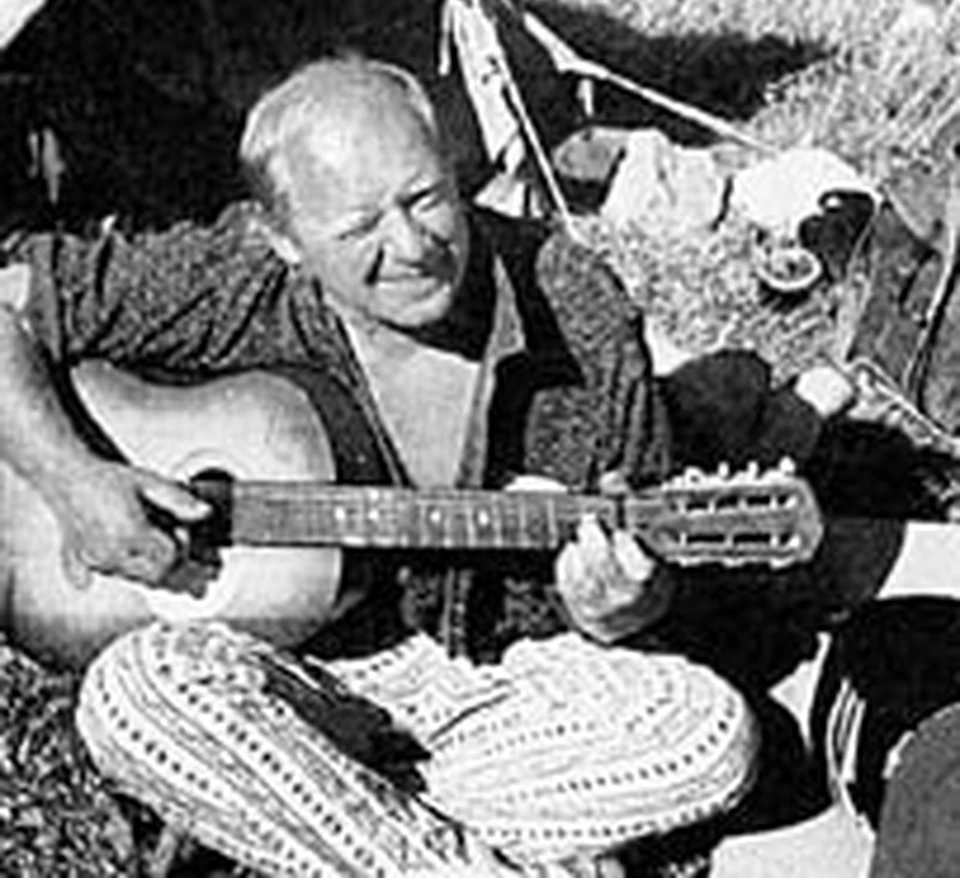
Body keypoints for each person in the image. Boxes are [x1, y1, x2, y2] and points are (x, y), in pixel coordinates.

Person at [0, 56, 823, 874]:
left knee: (706, 733)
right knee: (134, 696)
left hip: (496, 682)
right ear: (284, 241)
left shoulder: (575, 306)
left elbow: (643, 596)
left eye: (425, 197)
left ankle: (318, 814)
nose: (412, 246)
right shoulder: (235, 279)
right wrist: (73, 480)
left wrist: (619, 608)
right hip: (285, 672)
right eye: (359, 228)